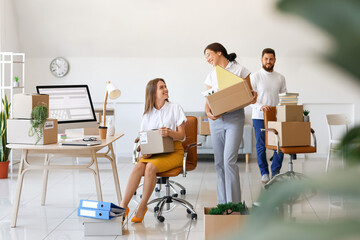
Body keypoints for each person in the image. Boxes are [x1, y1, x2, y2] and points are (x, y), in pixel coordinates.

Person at [120, 78, 186, 223]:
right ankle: (123, 207)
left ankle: (142, 207)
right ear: (153, 93)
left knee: (150, 168)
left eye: (165, 86)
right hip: (154, 152)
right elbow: (144, 138)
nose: (165, 89)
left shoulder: (175, 108)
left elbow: (182, 136)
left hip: (174, 151)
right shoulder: (147, 114)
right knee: (139, 166)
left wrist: (169, 132)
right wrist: (144, 151)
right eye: (161, 87)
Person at [204, 42, 257, 204]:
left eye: (208, 55)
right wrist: (208, 113)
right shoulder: (211, 75)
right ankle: (222, 203)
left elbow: (250, 97)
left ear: (219, 52)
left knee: (229, 161)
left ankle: (234, 204)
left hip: (234, 119)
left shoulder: (240, 70)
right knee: (219, 163)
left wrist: (252, 97)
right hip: (217, 121)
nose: (207, 59)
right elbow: (207, 101)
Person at [250, 48, 287, 183]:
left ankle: (276, 171)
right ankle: (264, 172)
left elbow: (284, 98)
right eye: (266, 59)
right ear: (261, 59)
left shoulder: (280, 78)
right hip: (259, 116)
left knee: (280, 144)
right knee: (261, 146)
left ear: (275, 60)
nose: (268, 61)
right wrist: (261, 106)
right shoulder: (255, 77)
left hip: (276, 117)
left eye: (271, 59)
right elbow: (250, 98)